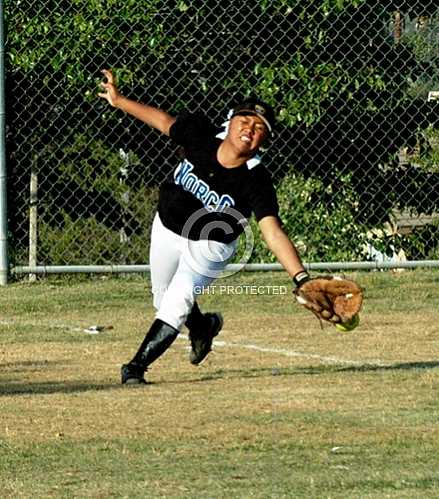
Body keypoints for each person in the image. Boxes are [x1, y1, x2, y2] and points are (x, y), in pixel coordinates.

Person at [98, 69, 310, 385]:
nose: (249, 129)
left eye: (259, 128)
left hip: (210, 245)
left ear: (264, 141)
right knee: (162, 298)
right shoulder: (199, 132)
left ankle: (134, 368)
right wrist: (119, 101)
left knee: (177, 299)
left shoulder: (257, 179)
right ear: (230, 122)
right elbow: (162, 122)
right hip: (167, 226)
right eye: (245, 120)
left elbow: (272, 231)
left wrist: (301, 277)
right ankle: (202, 328)